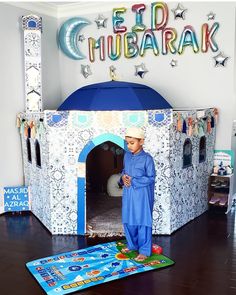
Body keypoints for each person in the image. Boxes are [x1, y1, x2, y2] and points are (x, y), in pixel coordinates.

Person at [120, 127, 156, 262]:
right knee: (129, 220)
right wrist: (123, 177)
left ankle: (145, 251)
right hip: (128, 193)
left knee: (143, 221)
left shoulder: (147, 159)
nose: (129, 146)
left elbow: (151, 178)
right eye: (127, 142)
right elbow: (124, 170)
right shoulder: (127, 156)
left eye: (132, 142)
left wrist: (134, 181)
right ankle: (132, 245)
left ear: (141, 141)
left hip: (142, 195)